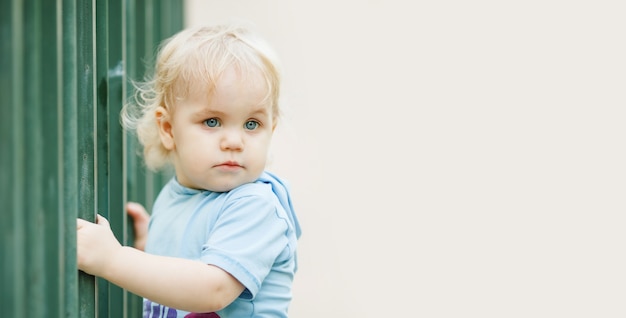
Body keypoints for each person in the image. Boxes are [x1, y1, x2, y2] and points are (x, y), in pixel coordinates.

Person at [76, 23, 302, 318]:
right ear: (168, 128)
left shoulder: (255, 205)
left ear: (270, 129)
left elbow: (213, 289)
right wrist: (153, 246)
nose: (234, 141)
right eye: (212, 121)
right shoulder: (176, 196)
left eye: (251, 124)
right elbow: (184, 270)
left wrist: (114, 259)